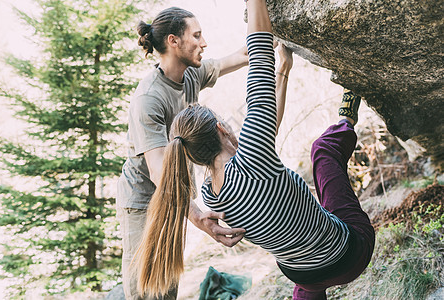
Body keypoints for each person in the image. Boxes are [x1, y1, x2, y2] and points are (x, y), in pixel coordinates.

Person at [133, 0, 375, 299]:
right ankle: (346, 119)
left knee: (307, 279)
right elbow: (260, 57)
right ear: (223, 129)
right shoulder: (252, 158)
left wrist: (283, 73)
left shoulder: (212, 195)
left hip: (305, 274)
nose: (203, 41)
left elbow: (265, 135)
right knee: (323, 153)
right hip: (350, 254)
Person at [116, 6, 249, 300]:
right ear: (174, 41)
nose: (204, 43)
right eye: (197, 36)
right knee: (144, 288)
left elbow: (238, 57)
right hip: (142, 200)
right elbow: (158, 171)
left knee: (167, 283)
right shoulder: (149, 98)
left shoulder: (191, 74)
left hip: (174, 196)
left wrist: (270, 36)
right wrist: (199, 217)